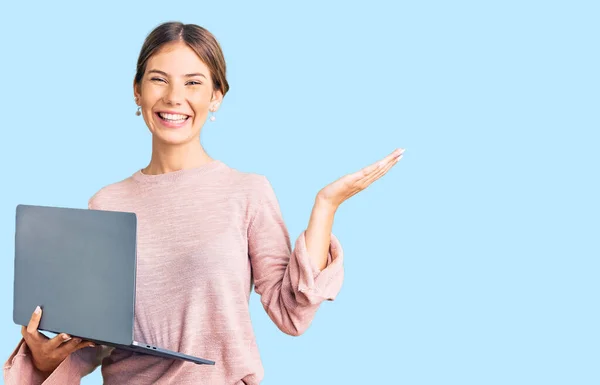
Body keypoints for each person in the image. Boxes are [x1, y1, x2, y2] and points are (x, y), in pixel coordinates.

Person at [3, 21, 404, 385]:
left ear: (216, 97)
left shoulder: (247, 191)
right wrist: (43, 358)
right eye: (159, 80)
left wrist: (325, 206)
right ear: (137, 91)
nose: (174, 97)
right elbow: (99, 338)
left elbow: (291, 314)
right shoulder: (107, 201)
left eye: (193, 83)